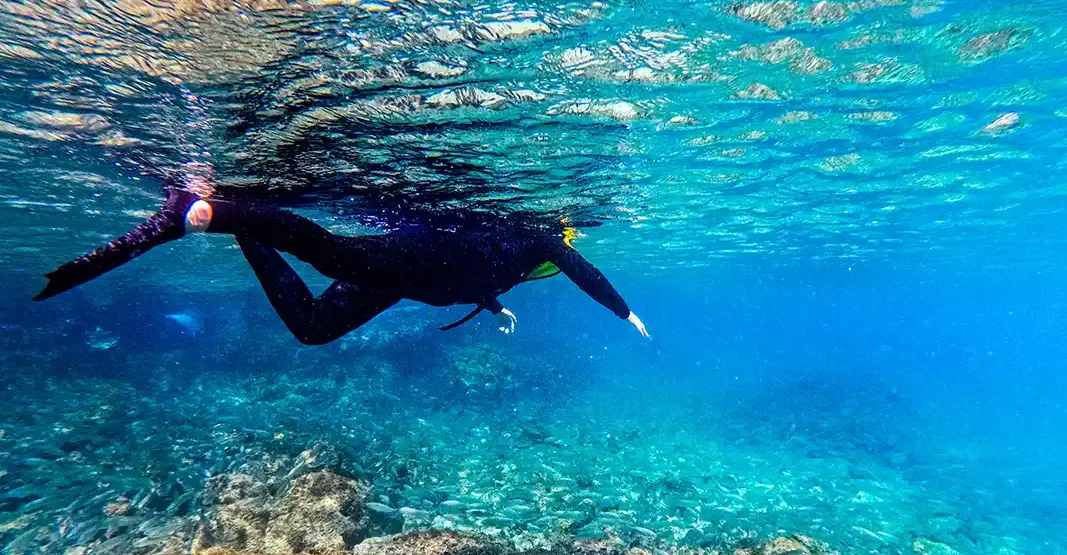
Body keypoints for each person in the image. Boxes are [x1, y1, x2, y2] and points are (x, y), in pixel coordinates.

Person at [33, 187, 650, 344]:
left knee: (312, 327)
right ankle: (202, 210)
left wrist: (493, 305)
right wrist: (625, 312)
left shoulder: (520, 254)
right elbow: (581, 272)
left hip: (406, 280)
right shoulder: (544, 241)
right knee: (329, 252)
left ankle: (240, 223)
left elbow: (481, 270)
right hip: (409, 261)